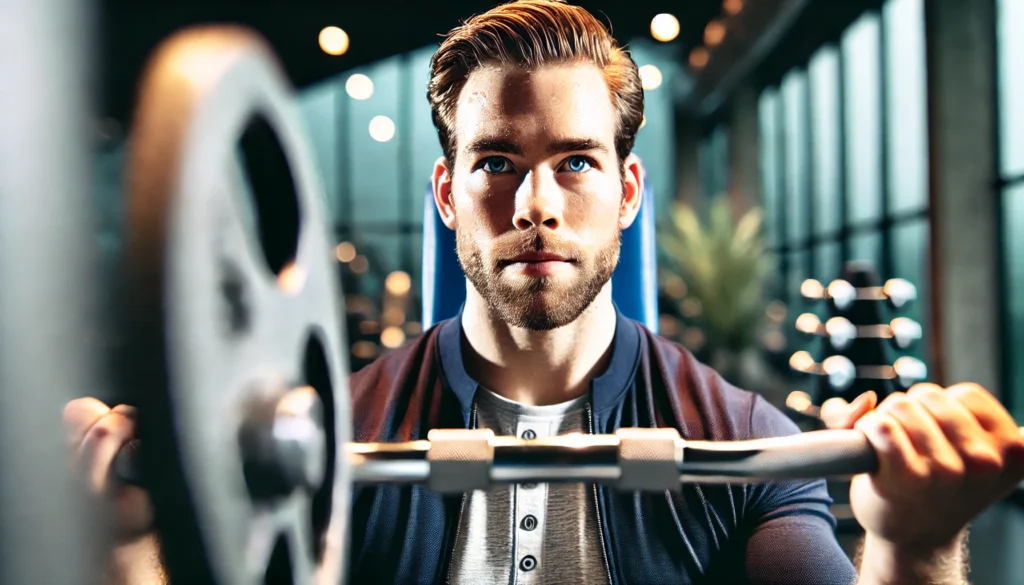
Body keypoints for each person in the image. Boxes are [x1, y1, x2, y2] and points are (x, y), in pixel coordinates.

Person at [65, 1, 1024, 583]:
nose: (534, 204)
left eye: (574, 162)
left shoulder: (747, 441)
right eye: (494, 162)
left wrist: (913, 543)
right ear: (447, 193)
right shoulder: (336, 430)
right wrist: (121, 541)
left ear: (627, 191)